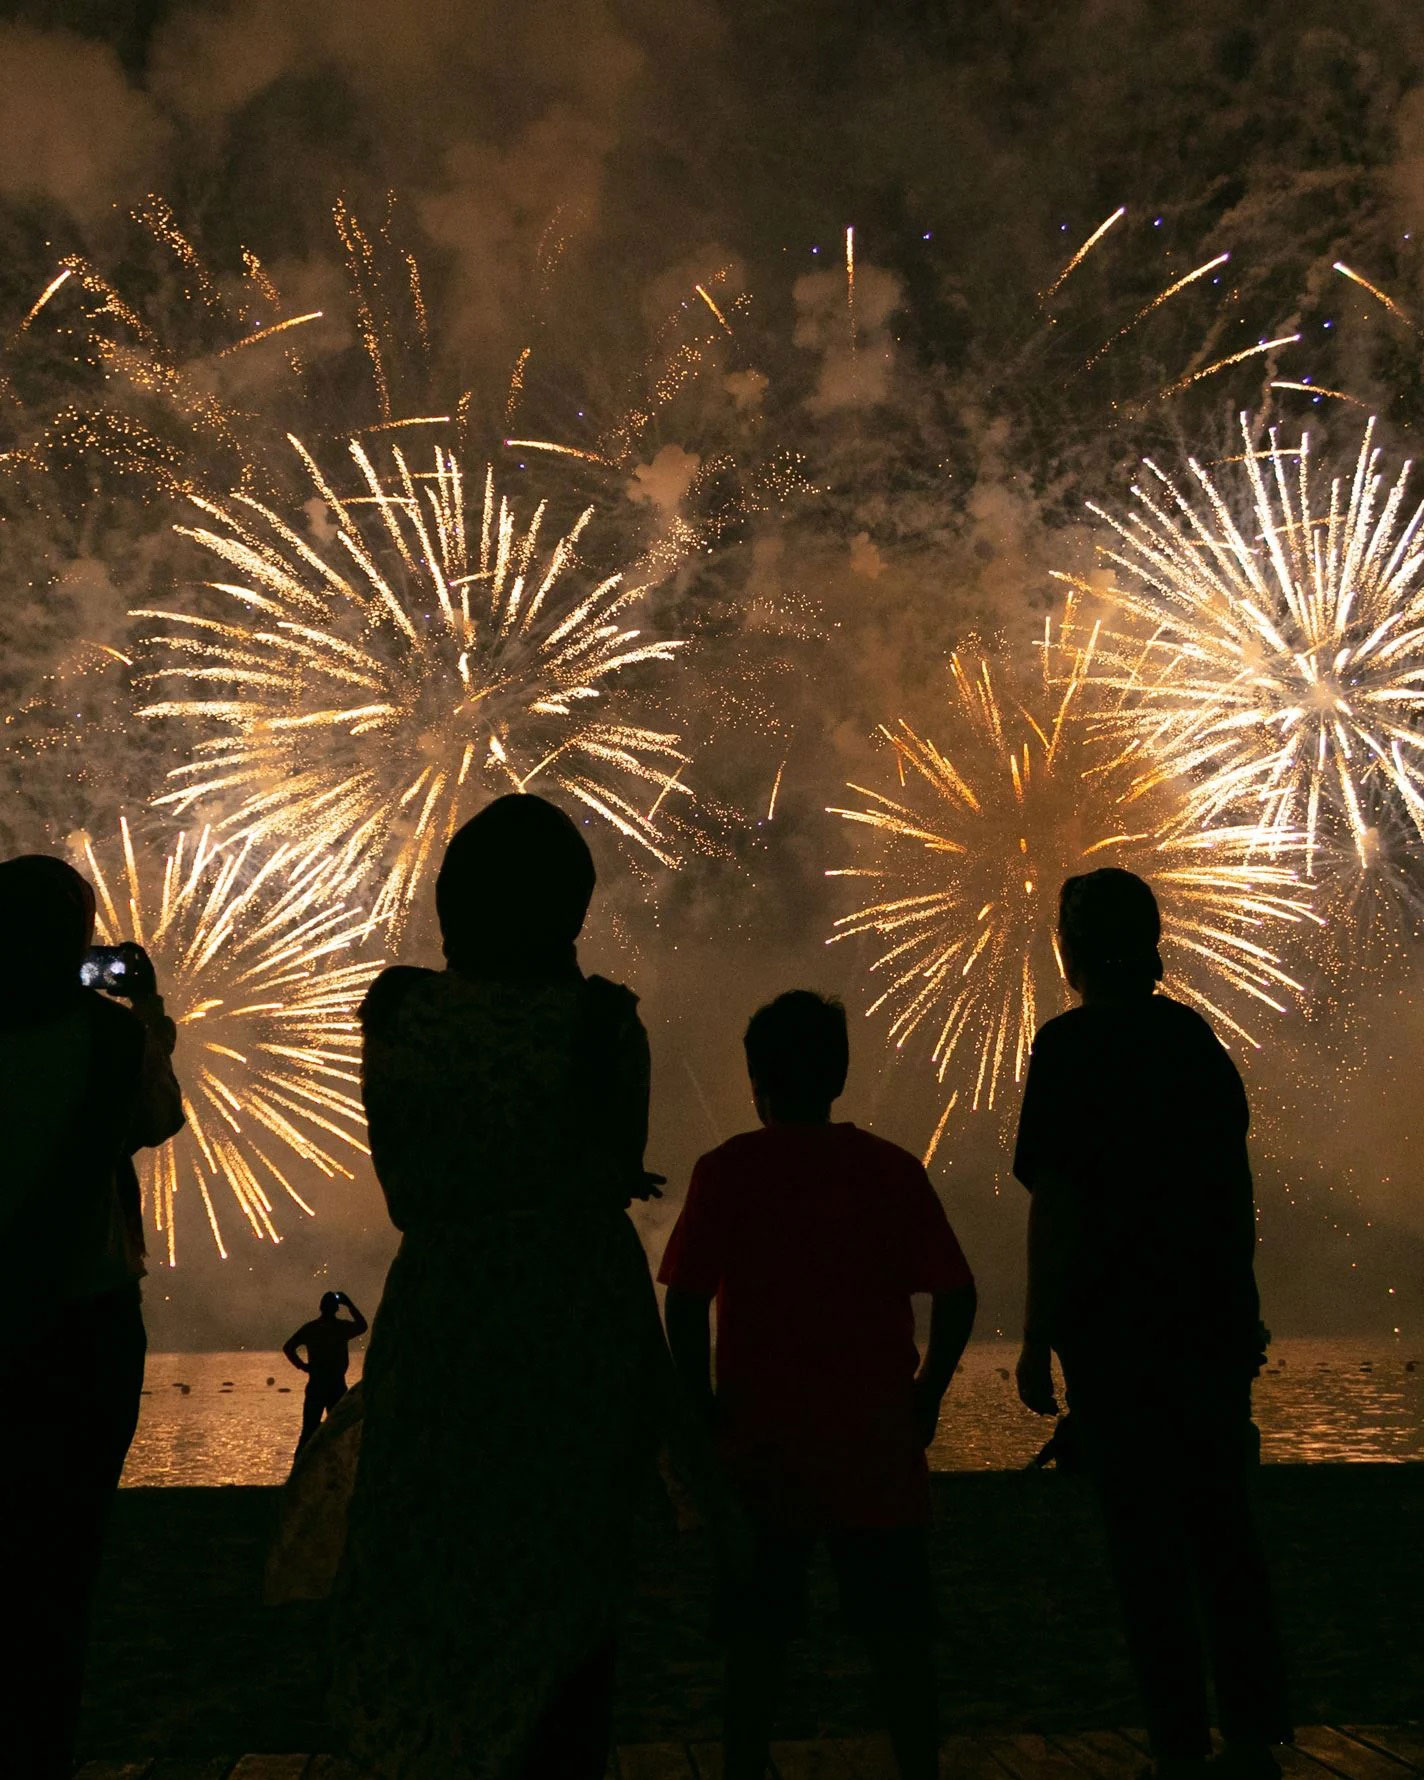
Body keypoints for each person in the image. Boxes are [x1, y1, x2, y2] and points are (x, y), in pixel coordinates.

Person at [331, 793, 668, 1780]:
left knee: (438, 1577)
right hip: (576, 1308)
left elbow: (402, 1188)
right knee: (569, 1586)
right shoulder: (602, 1021)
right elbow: (615, 1167)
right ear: (569, 903)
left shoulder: (401, 1014)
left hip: (447, 1307)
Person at [1013, 868, 1290, 1780]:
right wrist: (1241, 1302)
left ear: (1074, 948)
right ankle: (1254, 1728)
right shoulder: (1194, 1041)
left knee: (1143, 1543)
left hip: (1115, 1332)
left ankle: (1177, 1738)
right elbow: (1230, 1194)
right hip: (1204, 1318)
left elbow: (1056, 1202)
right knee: (1222, 1530)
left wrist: (1035, 1331)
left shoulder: (1068, 1048)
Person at [660, 990, 977, 1780]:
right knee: (898, 1635)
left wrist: (697, 1402)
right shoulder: (890, 1169)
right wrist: (928, 1392)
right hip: (875, 1441)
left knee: (756, 1634)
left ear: (754, 1080)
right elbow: (957, 1292)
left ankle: (742, 1769)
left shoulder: (727, 1171)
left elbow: (686, 1298)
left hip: (761, 1442)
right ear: (838, 1074)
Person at [0, 853, 183, 1780]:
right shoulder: (109, 1042)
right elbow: (159, 1117)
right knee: (64, 1566)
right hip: (83, 1325)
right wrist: (146, 1012)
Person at [283, 1290, 368, 1456]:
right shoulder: (340, 1328)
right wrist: (349, 1304)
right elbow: (362, 1326)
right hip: (333, 1384)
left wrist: (303, 1366)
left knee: (310, 1430)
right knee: (338, 1429)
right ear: (336, 1308)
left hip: (320, 1383)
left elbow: (288, 1347)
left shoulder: (312, 1328)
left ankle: (300, 1471)